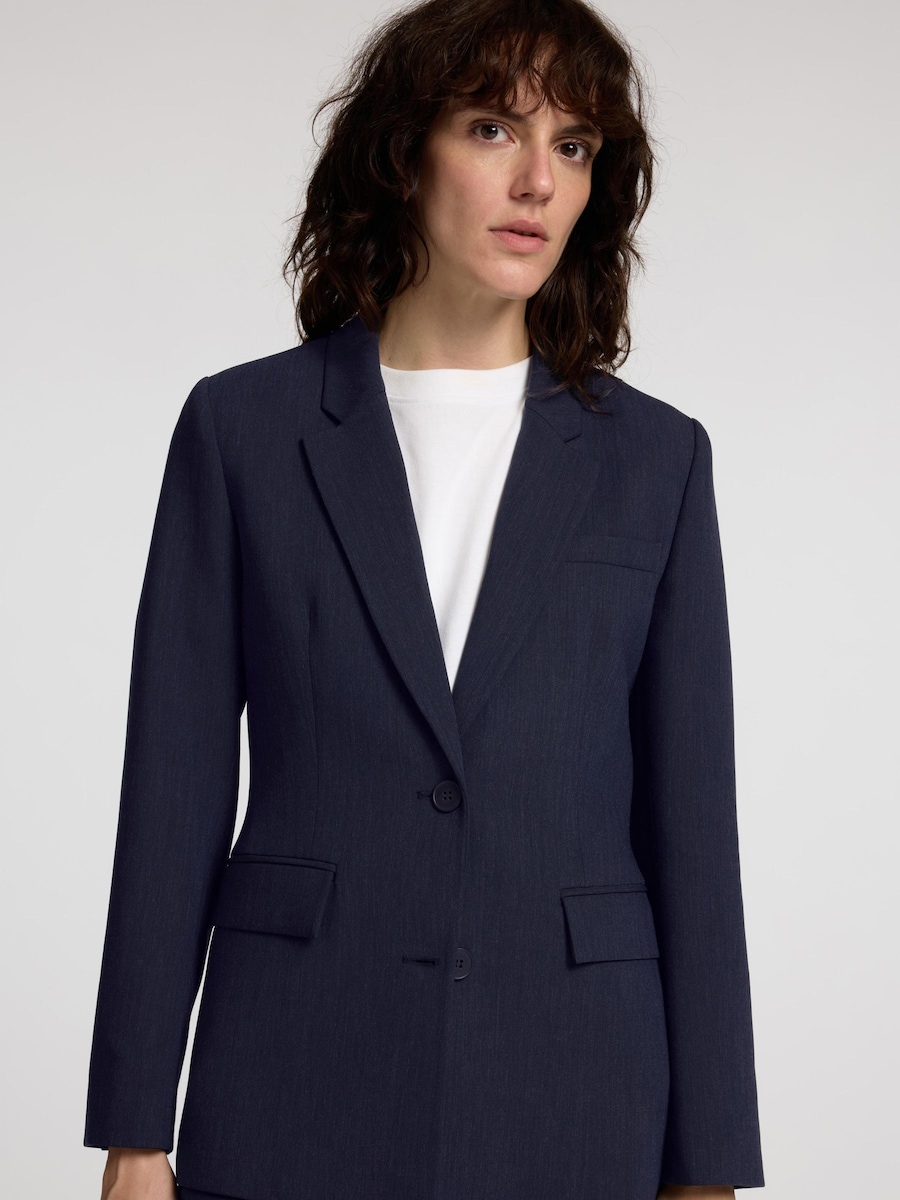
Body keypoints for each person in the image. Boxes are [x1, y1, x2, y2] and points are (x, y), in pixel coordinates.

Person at [84, 1, 765, 1198]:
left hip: (573, 1088)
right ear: (405, 153)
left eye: (573, 146)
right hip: (294, 1074)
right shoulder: (243, 431)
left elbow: (693, 827)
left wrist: (709, 1163)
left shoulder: (656, 460)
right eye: (494, 127)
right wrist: (134, 1131)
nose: (538, 181)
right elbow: (171, 795)